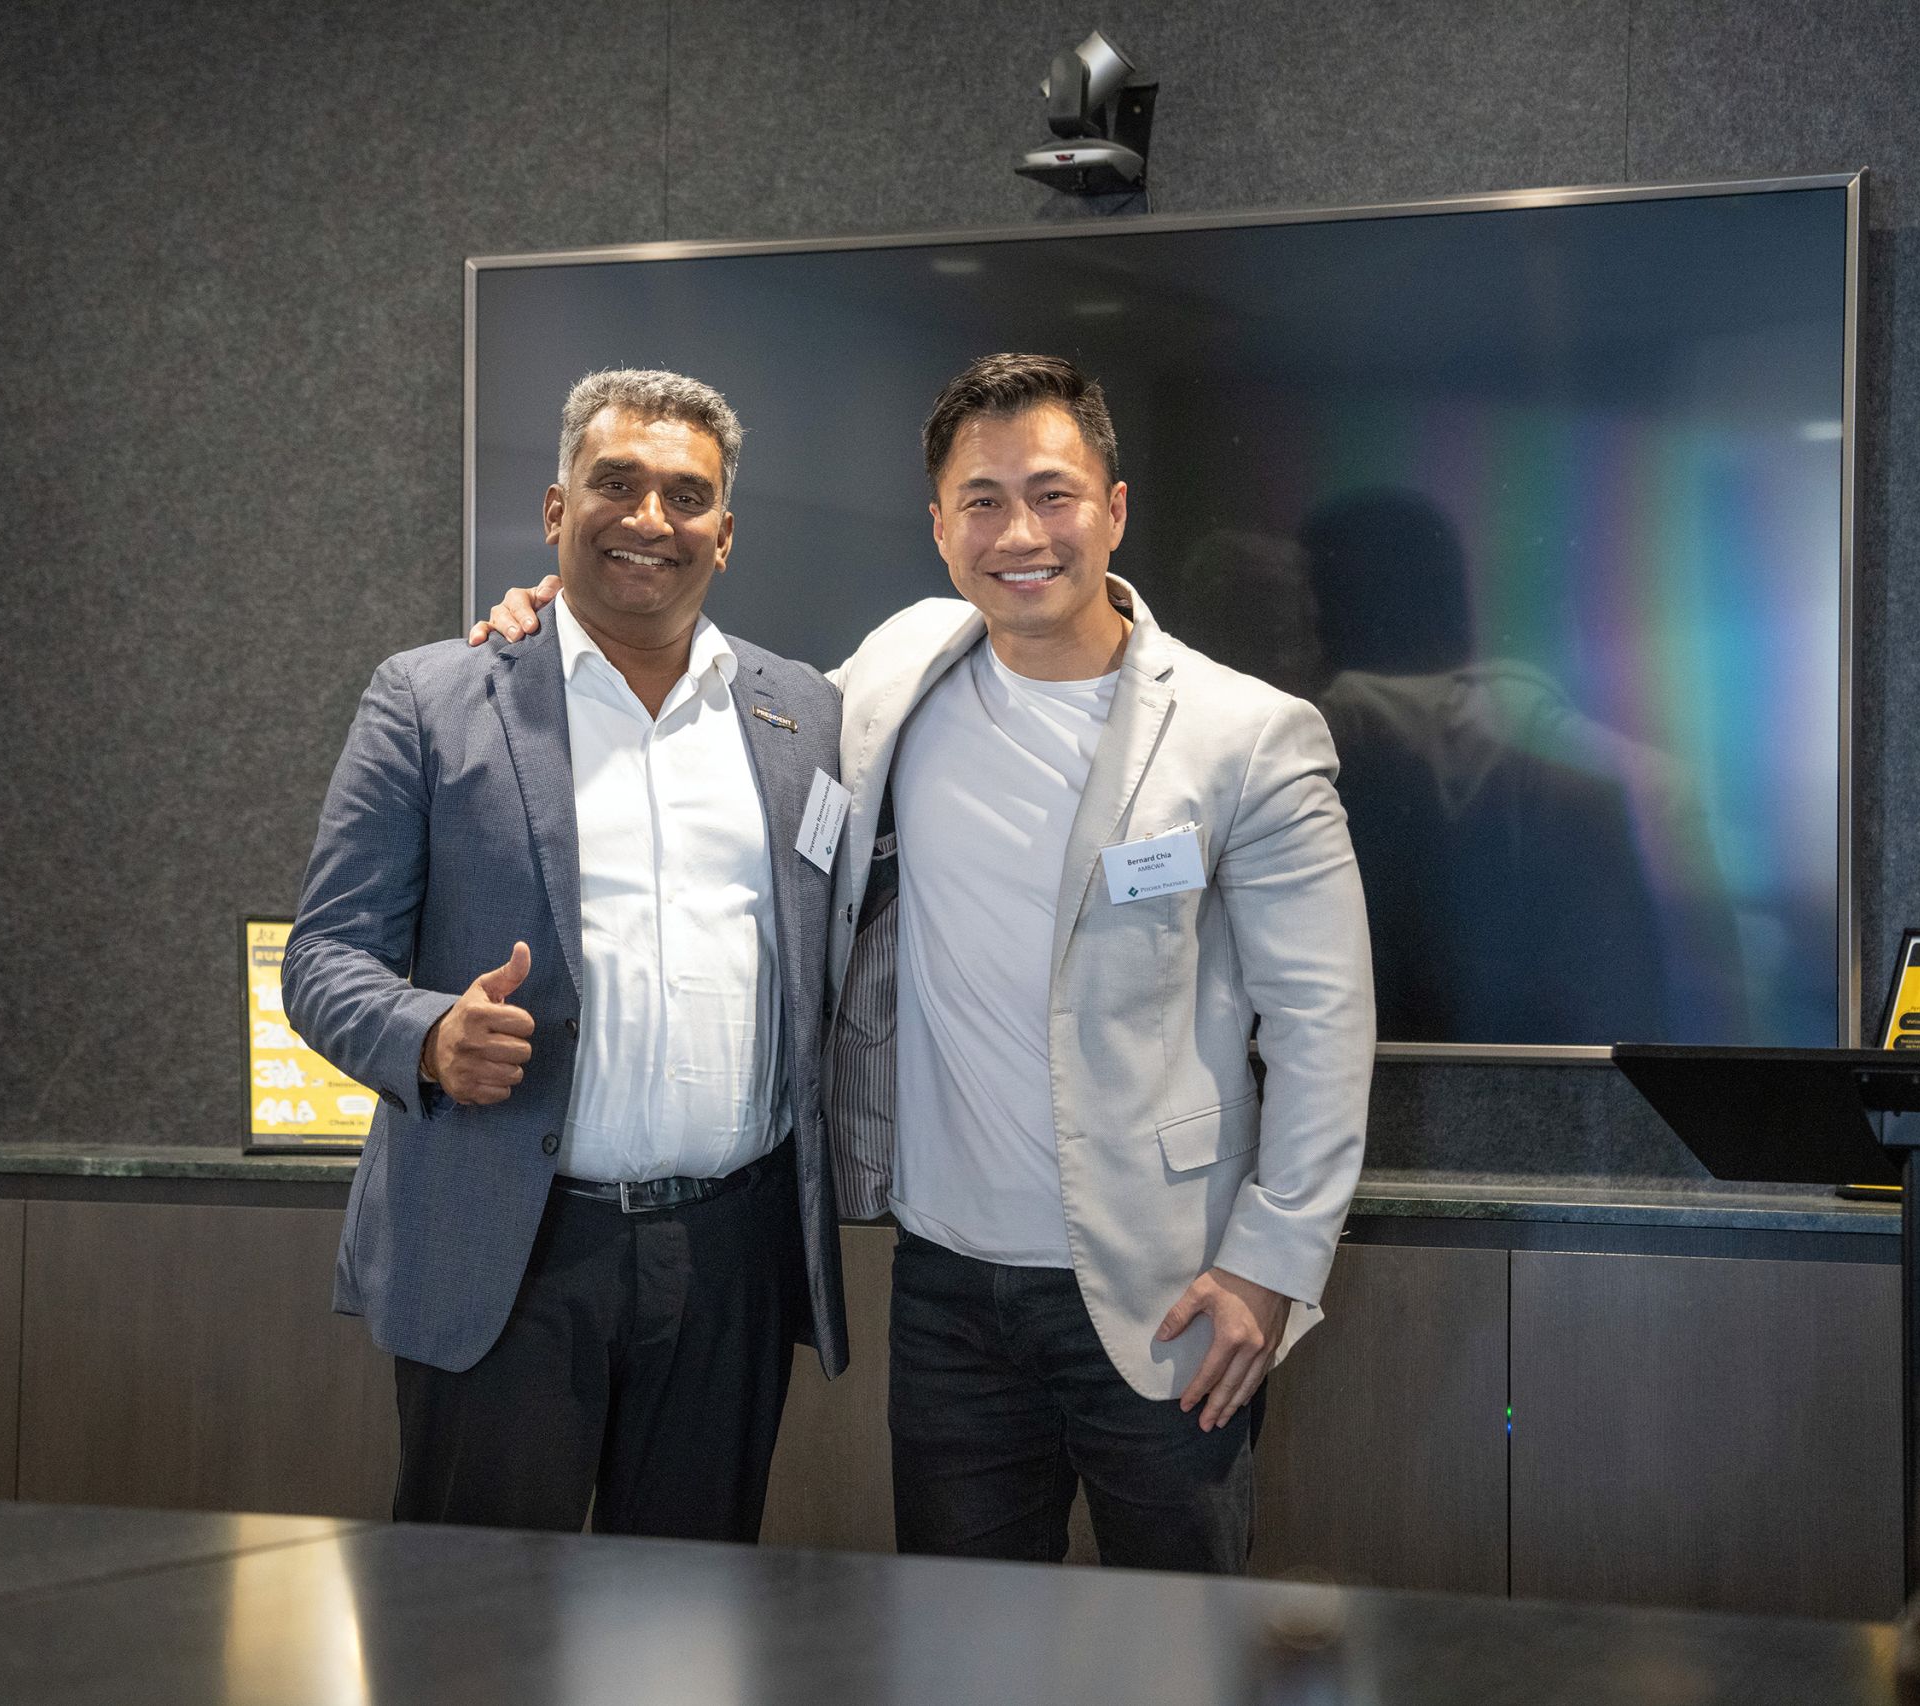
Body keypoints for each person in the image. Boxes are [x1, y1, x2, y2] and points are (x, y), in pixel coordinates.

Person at [474, 352, 1374, 1572]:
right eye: (982, 501)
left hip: (1167, 1292)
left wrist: (1269, 1268)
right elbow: (713, 706)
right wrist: (559, 620)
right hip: (944, 1294)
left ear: (1114, 510)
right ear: (941, 528)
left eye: (1053, 496)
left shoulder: (1247, 734)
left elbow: (1323, 1029)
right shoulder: (895, 674)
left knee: (1178, 1648)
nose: (1021, 534)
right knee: (957, 1648)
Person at [285, 369, 847, 1542]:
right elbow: (325, 957)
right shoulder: (432, 698)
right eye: (615, 483)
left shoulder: (807, 716)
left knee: (689, 1620)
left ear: (725, 534)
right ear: (555, 510)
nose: (649, 518)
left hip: (728, 1259)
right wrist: (426, 1038)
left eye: (686, 496)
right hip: (510, 1250)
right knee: (476, 1620)